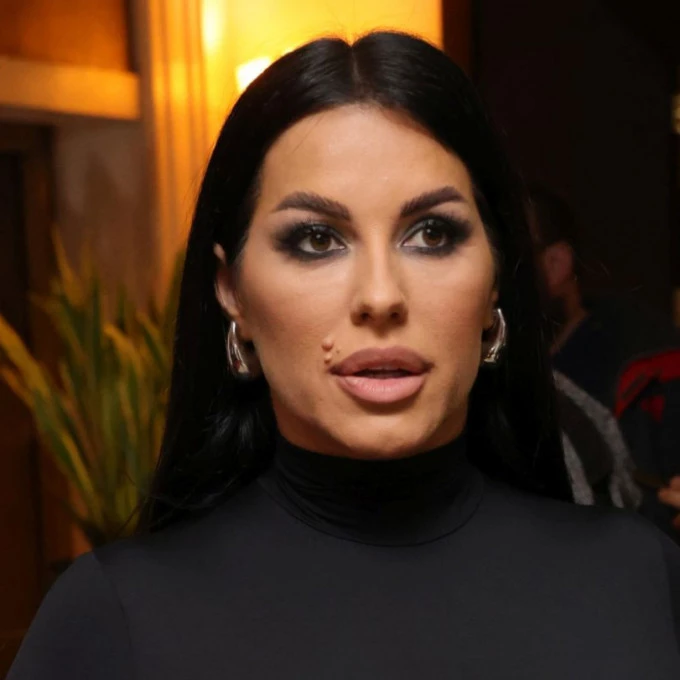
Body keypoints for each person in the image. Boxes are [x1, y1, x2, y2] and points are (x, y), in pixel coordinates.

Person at [9, 32, 680, 679]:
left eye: (432, 234)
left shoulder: (639, 581)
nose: (381, 297)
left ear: (495, 280)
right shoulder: (116, 619)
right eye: (316, 240)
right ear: (232, 291)